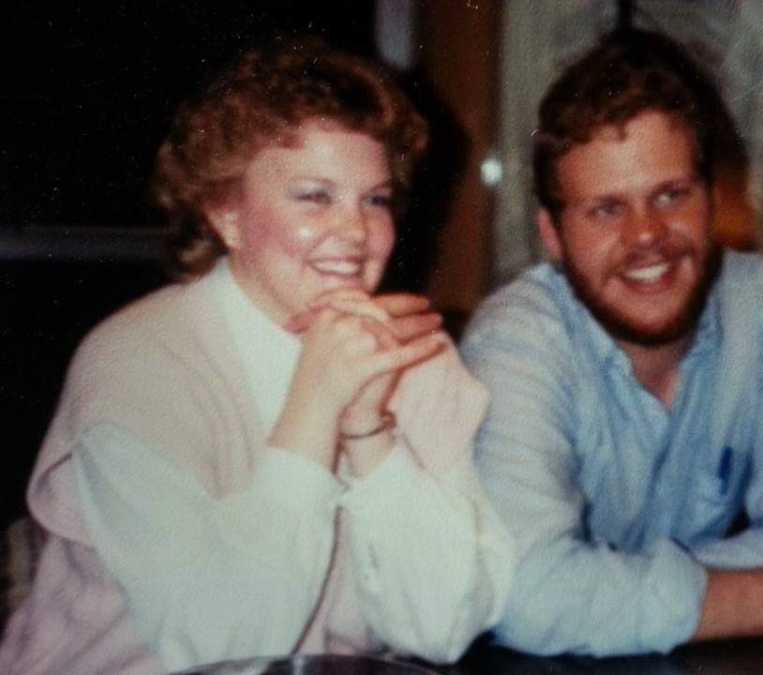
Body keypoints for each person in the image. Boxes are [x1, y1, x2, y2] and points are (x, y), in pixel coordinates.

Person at [0, 36, 515, 674]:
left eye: (374, 199)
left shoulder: (413, 358)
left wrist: (367, 429)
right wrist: (317, 400)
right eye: (314, 196)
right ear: (227, 215)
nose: (355, 232)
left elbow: (442, 627)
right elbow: (224, 647)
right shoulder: (138, 363)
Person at [460, 28, 763, 658]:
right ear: (552, 237)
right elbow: (525, 596)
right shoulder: (514, 343)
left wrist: (600, 588)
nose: (648, 238)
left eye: (671, 195)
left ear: (713, 200)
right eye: (606, 210)